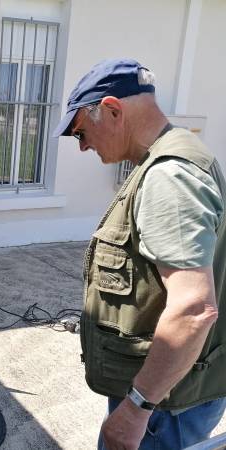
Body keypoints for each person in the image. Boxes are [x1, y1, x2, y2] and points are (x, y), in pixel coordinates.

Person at [54, 59, 226, 450]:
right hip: (164, 395)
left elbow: (194, 309)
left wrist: (135, 409)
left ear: (113, 110)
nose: (82, 146)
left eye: (80, 131)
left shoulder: (170, 177)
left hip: (164, 407)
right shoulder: (173, 156)